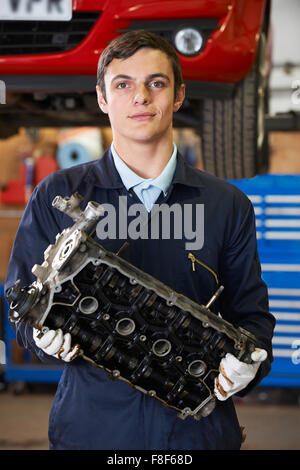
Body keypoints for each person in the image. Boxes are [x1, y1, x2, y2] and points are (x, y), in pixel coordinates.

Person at [5, 30, 275, 450]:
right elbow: (20, 306)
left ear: (179, 94)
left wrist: (249, 365)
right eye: (123, 84)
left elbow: (253, 320)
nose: (140, 97)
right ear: (102, 98)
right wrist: (39, 335)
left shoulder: (227, 205)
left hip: (196, 436)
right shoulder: (57, 196)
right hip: (93, 431)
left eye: (157, 83)